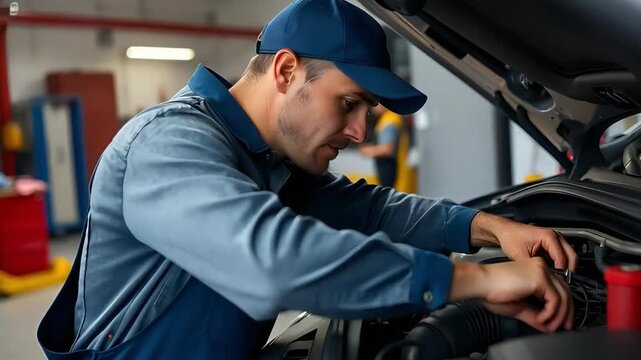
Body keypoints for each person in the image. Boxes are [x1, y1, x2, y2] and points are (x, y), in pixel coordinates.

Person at [38, 1, 577, 359]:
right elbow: (267, 259)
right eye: (350, 103)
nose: (362, 132)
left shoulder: (272, 162)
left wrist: (490, 228)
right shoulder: (169, 144)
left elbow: (374, 211)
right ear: (286, 70)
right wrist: (478, 281)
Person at [359, 103, 415, 191]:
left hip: (389, 167)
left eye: (377, 103)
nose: (373, 105)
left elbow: (387, 149)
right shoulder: (390, 118)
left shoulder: (389, 122)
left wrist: (368, 150)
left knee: (387, 194)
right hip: (393, 167)